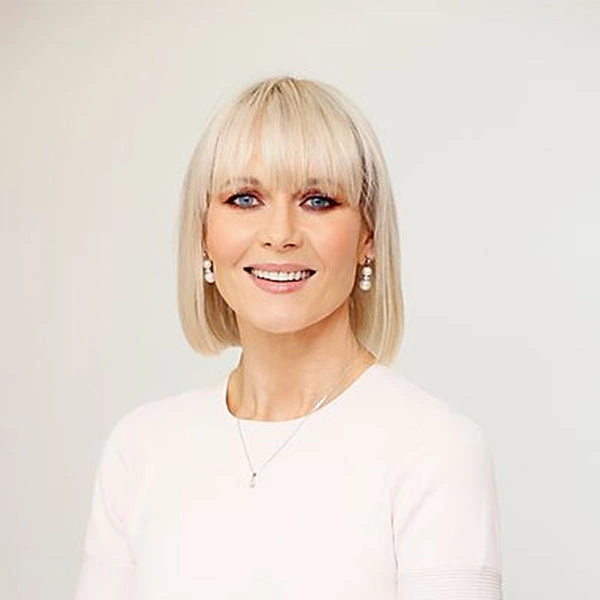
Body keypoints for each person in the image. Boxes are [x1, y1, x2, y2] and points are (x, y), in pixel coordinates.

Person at [74, 76, 503, 599]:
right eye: (244, 198)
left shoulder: (434, 450)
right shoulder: (139, 448)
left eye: (318, 200)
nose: (280, 234)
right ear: (204, 232)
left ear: (367, 236)